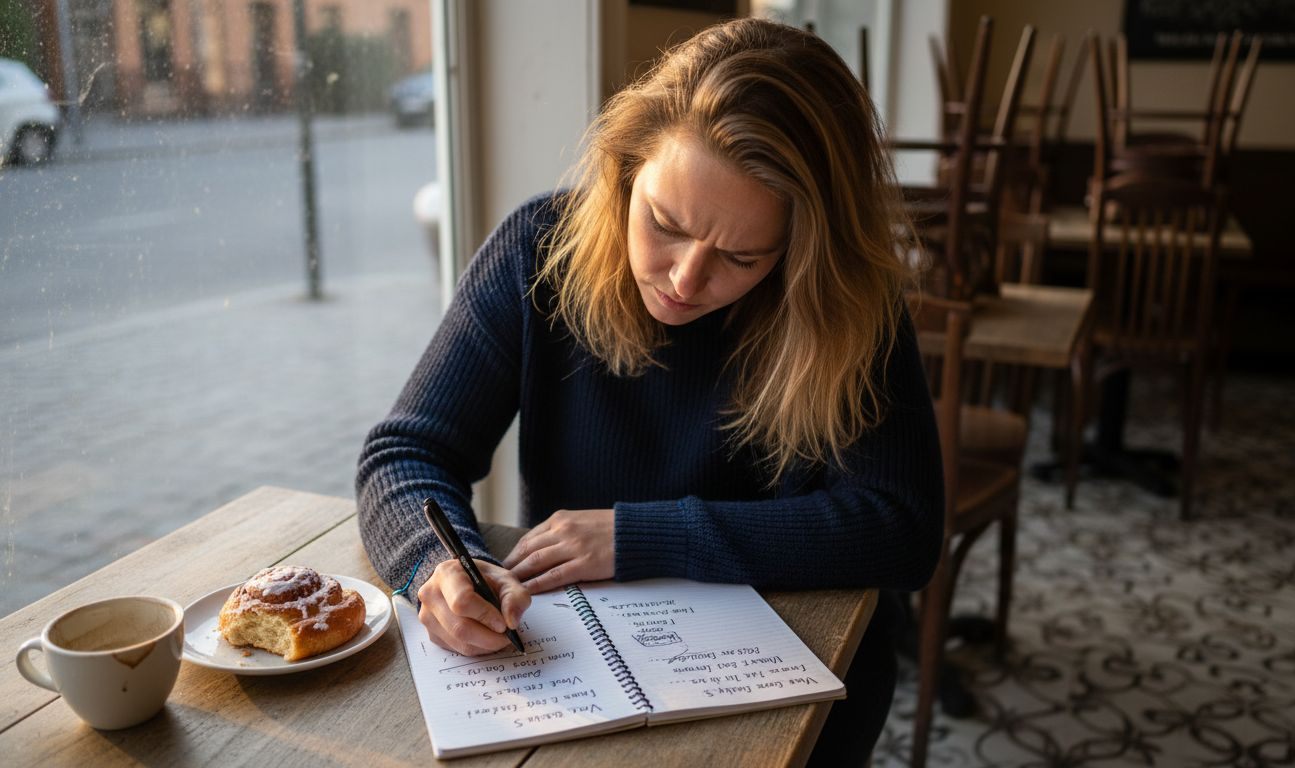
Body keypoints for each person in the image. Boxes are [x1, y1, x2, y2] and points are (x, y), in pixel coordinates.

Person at [357, 17, 943, 765]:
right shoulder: (539, 252)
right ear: (626, 170)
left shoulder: (847, 304)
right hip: (579, 665)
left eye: (741, 255)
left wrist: (642, 537)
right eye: (664, 223)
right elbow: (406, 451)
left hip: (794, 674)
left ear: (801, 249)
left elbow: (901, 528)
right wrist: (436, 567)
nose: (685, 279)